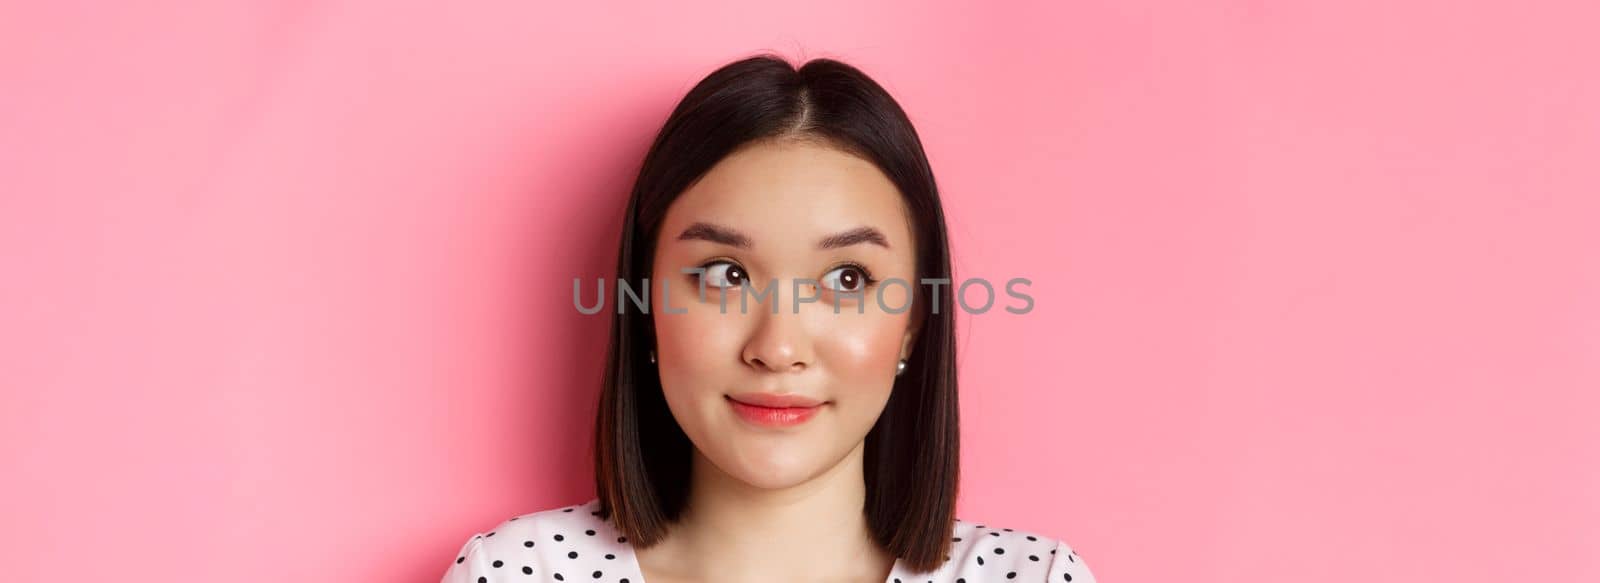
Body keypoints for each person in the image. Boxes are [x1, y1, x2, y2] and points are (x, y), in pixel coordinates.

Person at [441, 53, 1098, 583]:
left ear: (913, 323)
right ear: (644, 308)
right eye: (725, 274)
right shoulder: (521, 571)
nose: (778, 347)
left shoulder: (1032, 576)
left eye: (846, 279)